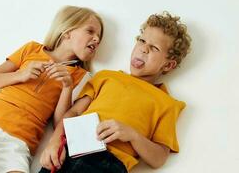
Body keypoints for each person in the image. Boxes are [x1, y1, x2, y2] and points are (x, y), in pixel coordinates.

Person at [0, 5, 104, 173]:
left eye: (99, 37)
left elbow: (60, 123)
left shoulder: (82, 77)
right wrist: (20, 75)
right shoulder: (31, 49)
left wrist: (67, 87)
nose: (96, 39)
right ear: (67, 31)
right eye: (90, 31)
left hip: (20, 141)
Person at [39, 11, 191, 173]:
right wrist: (54, 141)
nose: (143, 49)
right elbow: (74, 112)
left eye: (154, 48)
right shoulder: (106, 77)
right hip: (70, 149)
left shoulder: (167, 103)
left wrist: (132, 135)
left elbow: (159, 158)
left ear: (168, 65)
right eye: (141, 41)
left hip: (109, 164)